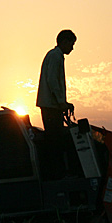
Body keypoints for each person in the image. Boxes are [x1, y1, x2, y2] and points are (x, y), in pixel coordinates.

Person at [36, 29, 77, 177]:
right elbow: (53, 81)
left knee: (55, 140)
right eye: (71, 44)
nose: (72, 48)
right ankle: (56, 174)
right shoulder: (55, 57)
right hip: (51, 106)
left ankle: (57, 172)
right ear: (64, 42)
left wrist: (63, 103)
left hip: (52, 105)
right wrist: (61, 102)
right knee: (55, 142)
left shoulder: (55, 55)